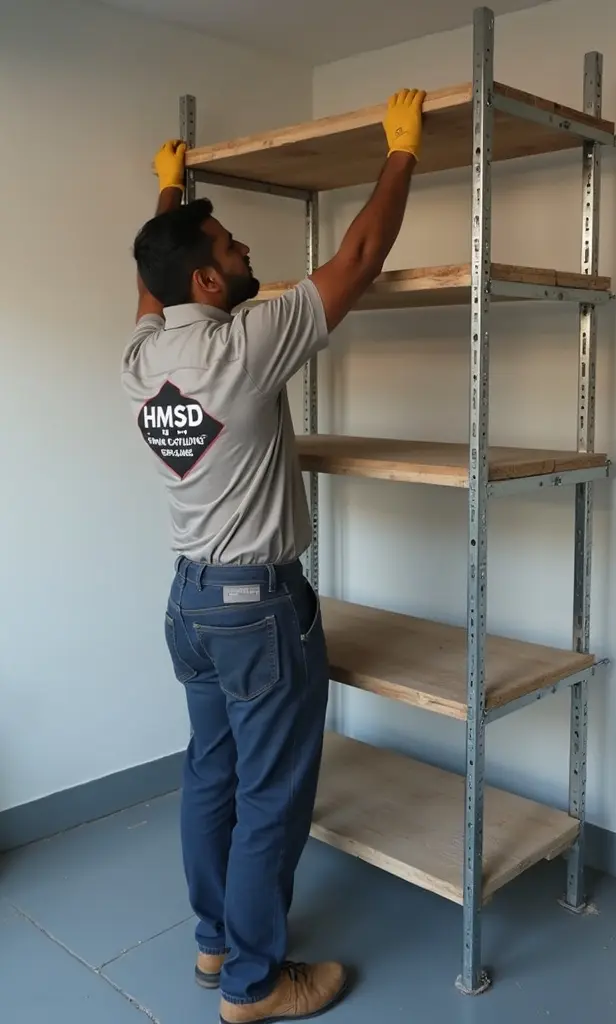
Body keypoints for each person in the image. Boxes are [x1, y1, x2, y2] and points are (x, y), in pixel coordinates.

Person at [121, 88, 426, 1024]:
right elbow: (362, 257)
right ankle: (258, 984)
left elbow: (152, 279)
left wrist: (172, 199)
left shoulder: (142, 355)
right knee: (273, 798)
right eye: (231, 248)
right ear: (210, 286)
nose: (248, 253)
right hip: (257, 608)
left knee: (211, 773)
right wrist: (402, 152)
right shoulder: (249, 344)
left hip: (190, 605)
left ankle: (215, 944)